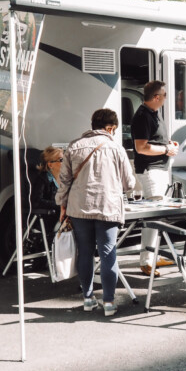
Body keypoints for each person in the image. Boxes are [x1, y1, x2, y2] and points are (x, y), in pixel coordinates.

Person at [56, 108, 135, 317]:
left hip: (79, 208)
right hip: (107, 208)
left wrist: (62, 204)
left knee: (85, 252)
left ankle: (88, 299)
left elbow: (64, 181)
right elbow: (130, 183)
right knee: (108, 253)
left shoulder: (74, 146)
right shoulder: (116, 149)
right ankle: (109, 302)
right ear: (110, 127)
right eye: (114, 129)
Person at [130, 80, 179, 276]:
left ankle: (153, 255)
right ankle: (146, 261)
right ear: (156, 97)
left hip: (158, 168)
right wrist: (167, 149)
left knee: (158, 216)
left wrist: (168, 144)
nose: (166, 98)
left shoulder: (153, 114)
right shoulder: (142, 116)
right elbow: (141, 147)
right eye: (165, 95)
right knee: (153, 217)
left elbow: (153, 141)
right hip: (151, 170)